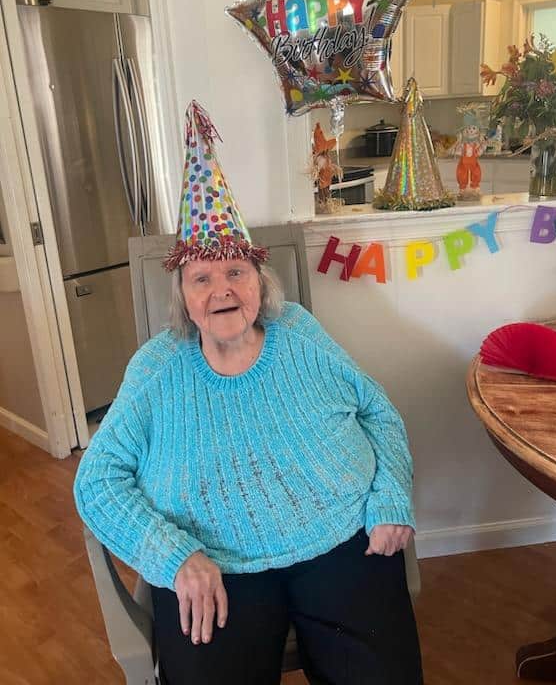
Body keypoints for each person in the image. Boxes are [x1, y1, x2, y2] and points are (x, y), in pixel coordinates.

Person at [74, 101, 423, 685]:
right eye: (202, 278)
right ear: (183, 298)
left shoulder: (300, 333)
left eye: (236, 272)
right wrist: (173, 557)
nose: (221, 290)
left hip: (341, 542)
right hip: (215, 566)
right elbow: (97, 480)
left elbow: (377, 412)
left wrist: (390, 495)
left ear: (260, 282)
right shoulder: (156, 369)